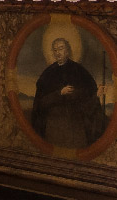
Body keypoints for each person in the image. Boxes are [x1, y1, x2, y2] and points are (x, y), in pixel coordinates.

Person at [29, 21, 108, 149]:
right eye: (55, 50)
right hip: (54, 126)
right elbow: (40, 103)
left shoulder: (80, 71)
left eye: (61, 48)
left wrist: (96, 95)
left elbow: (87, 99)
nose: (58, 52)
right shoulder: (47, 74)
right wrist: (59, 93)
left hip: (75, 125)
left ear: (68, 50)